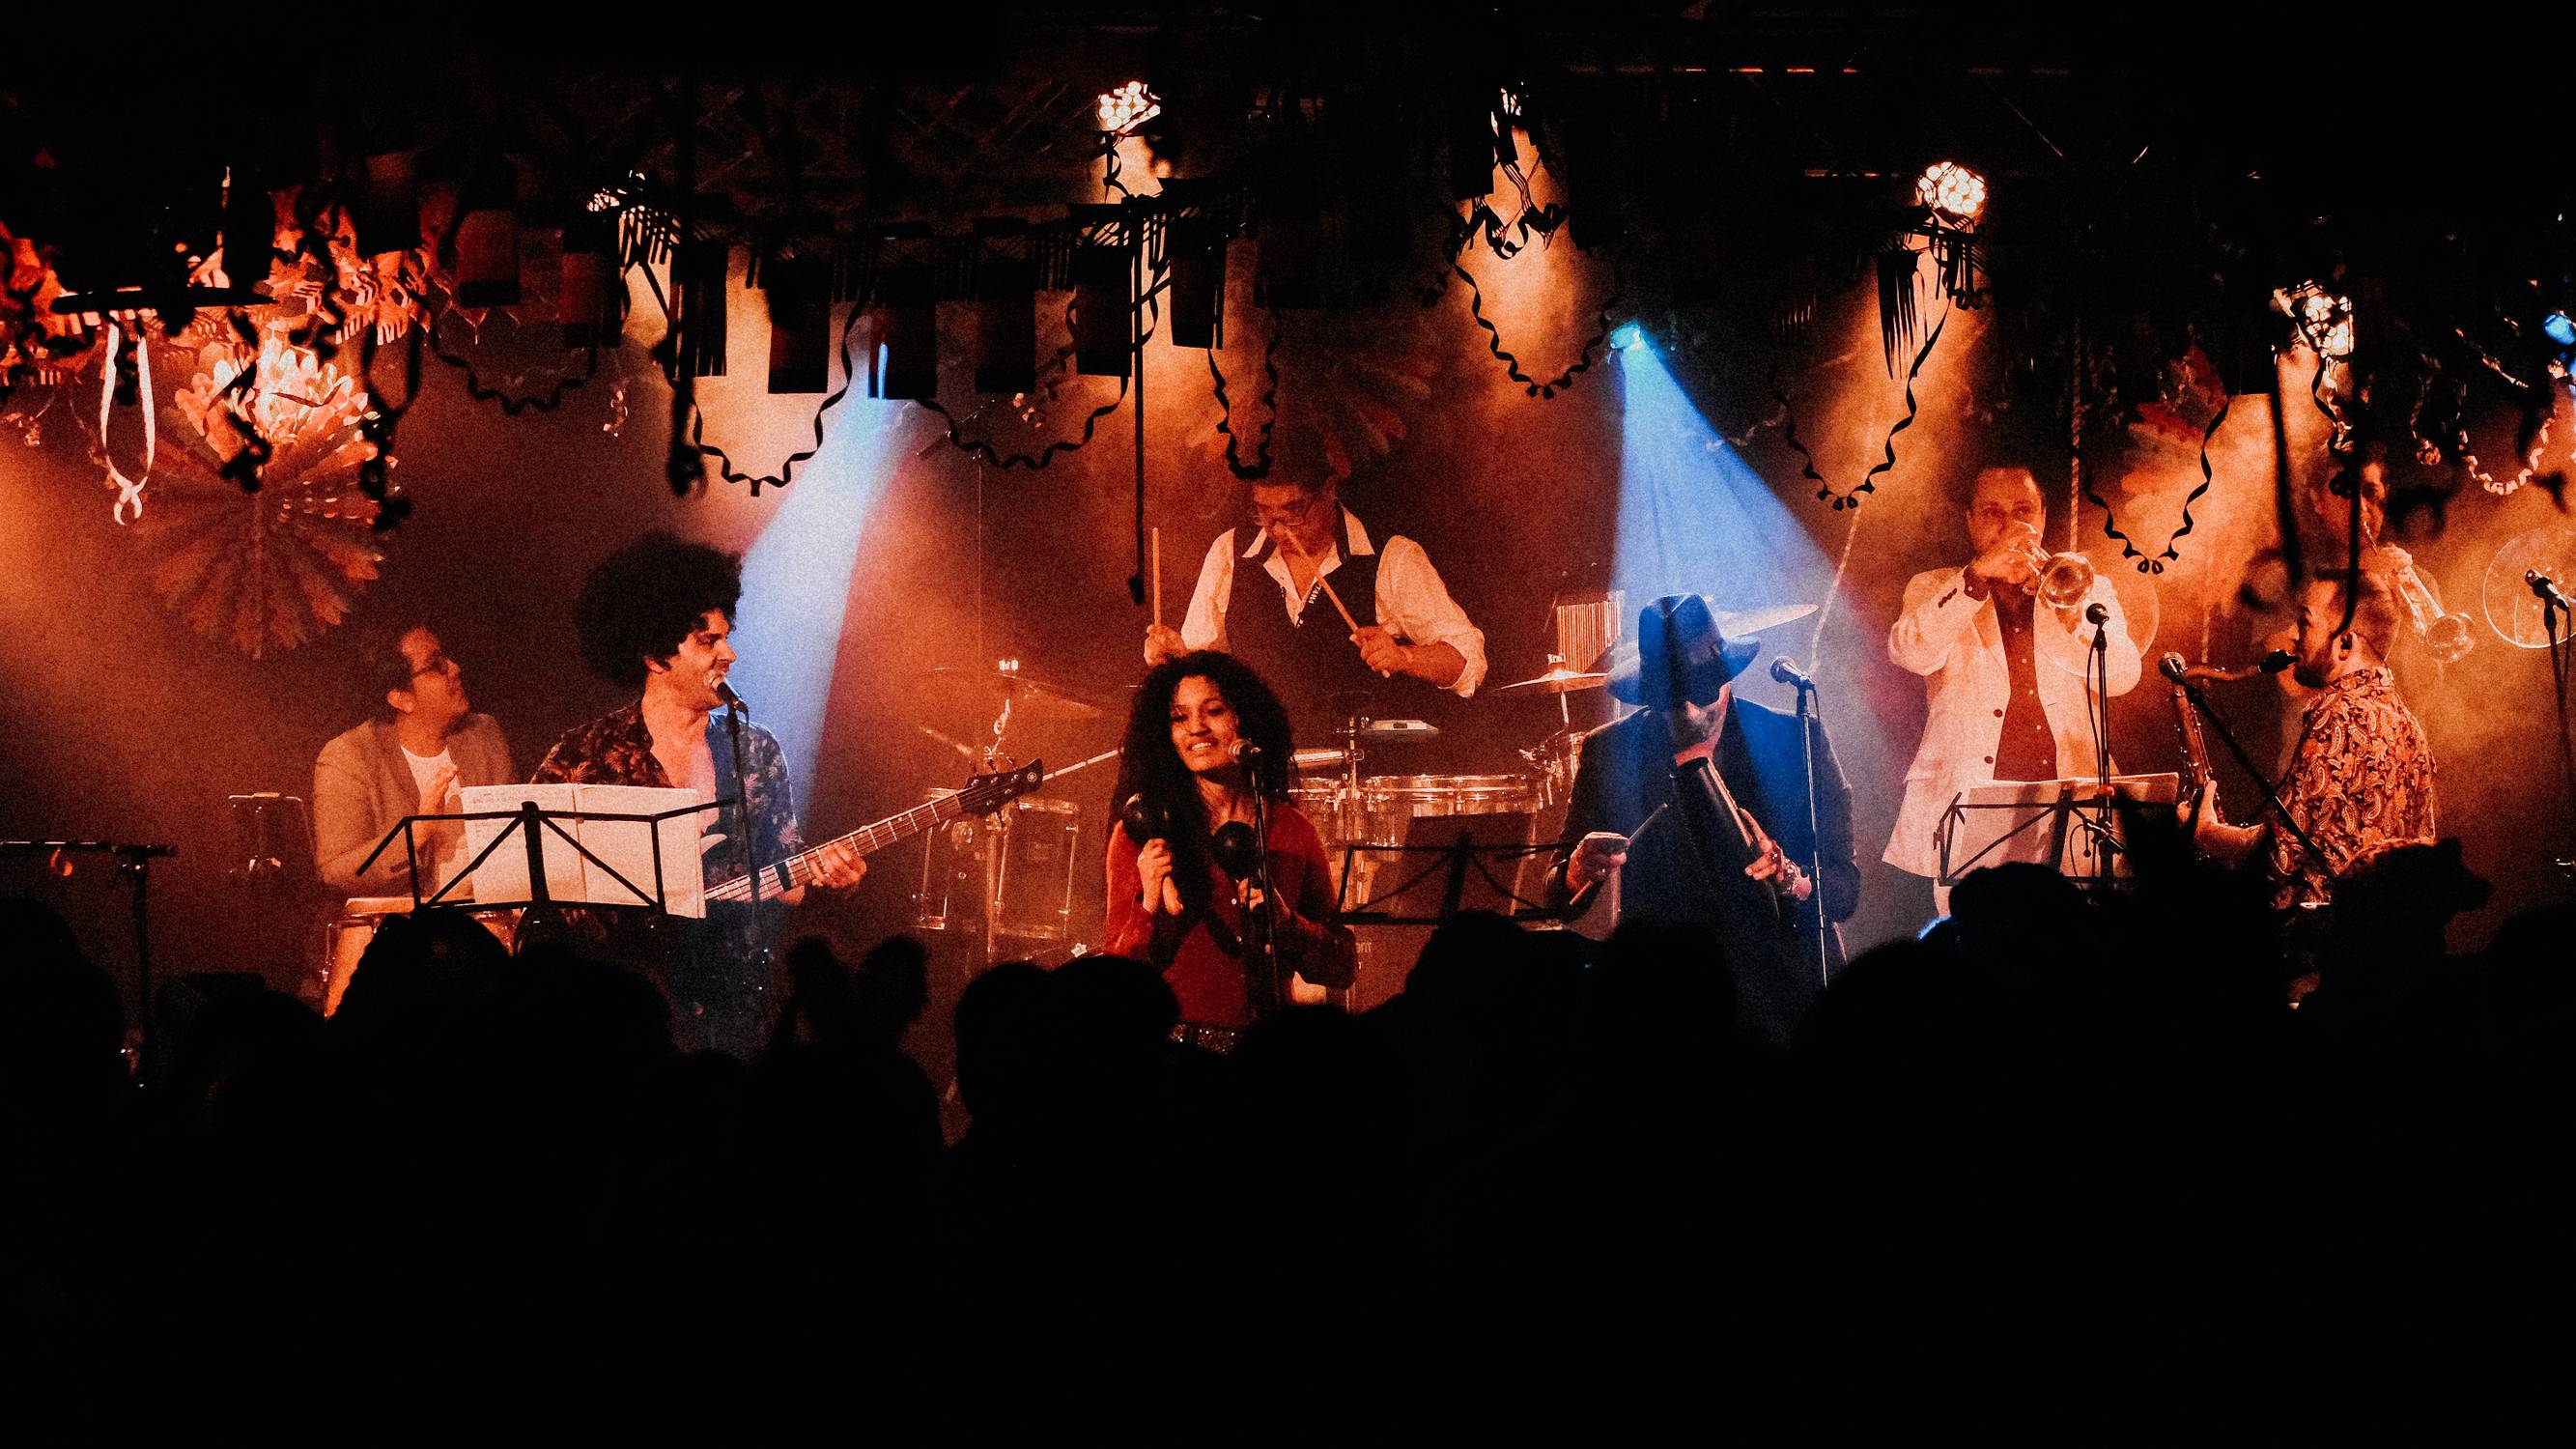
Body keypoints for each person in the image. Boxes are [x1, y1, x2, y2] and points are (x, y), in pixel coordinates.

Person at [532, 531, 865, 1056]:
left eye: (726, 637)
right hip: (618, 1017)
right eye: (707, 641)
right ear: (654, 655)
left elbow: (787, 876)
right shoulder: (585, 755)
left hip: (736, 1011)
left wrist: (831, 873)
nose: (729, 654)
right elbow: (536, 884)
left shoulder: (755, 750)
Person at [1548, 594, 1858, 1048]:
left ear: (1725, 677)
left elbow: (1845, 890)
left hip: (1777, 991)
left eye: (1701, 694)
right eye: (1672, 701)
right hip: (1659, 998)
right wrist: (1579, 868)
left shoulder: (1794, 740)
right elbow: (1556, 894)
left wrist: (1788, 875)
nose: (1690, 712)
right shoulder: (1611, 751)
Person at [1884, 466, 2142, 916]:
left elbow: (2123, 676)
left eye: (2023, 511)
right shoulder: (1934, 586)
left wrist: (2072, 615)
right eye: (1992, 512)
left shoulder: (2086, 587)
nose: (2009, 525)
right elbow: (1910, 653)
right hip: (1970, 809)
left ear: (2042, 517)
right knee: (1980, 949)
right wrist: (1975, 579)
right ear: (1970, 520)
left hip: (2074, 813)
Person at [1143, 442, 1485, 744]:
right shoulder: (1229, 552)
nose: (1278, 529)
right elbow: (1201, 671)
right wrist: (1178, 658)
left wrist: (1404, 657)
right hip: (1263, 767)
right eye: (1264, 512)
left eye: (1293, 511)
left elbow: (1467, 663)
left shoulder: (1390, 556)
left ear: (1329, 490)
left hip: (1364, 769)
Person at [1101, 650, 1357, 1047]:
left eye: (1214, 711)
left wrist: (1288, 923)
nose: (1196, 728)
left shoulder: (1292, 830)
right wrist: (1148, 904)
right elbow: (1112, 983)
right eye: (1179, 718)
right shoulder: (1142, 833)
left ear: (1244, 719)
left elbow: (1342, 968)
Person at [2194, 570, 2437, 911]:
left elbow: (2280, 856)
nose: (2292, 634)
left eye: (2305, 622)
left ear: (2345, 644)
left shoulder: (2338, 715)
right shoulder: (2410, 728)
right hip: (2379, 935)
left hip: (2316, 937)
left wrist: (2206, 832)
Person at [314, 626, 516, 898]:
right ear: (400, 698)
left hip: (487, 914)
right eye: (436, 666)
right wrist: (417, 833)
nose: (454, 668)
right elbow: (337, 872)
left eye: (446, 658)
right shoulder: (349, 757)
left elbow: (518, 840)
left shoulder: (483, 734)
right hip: (404, 920)